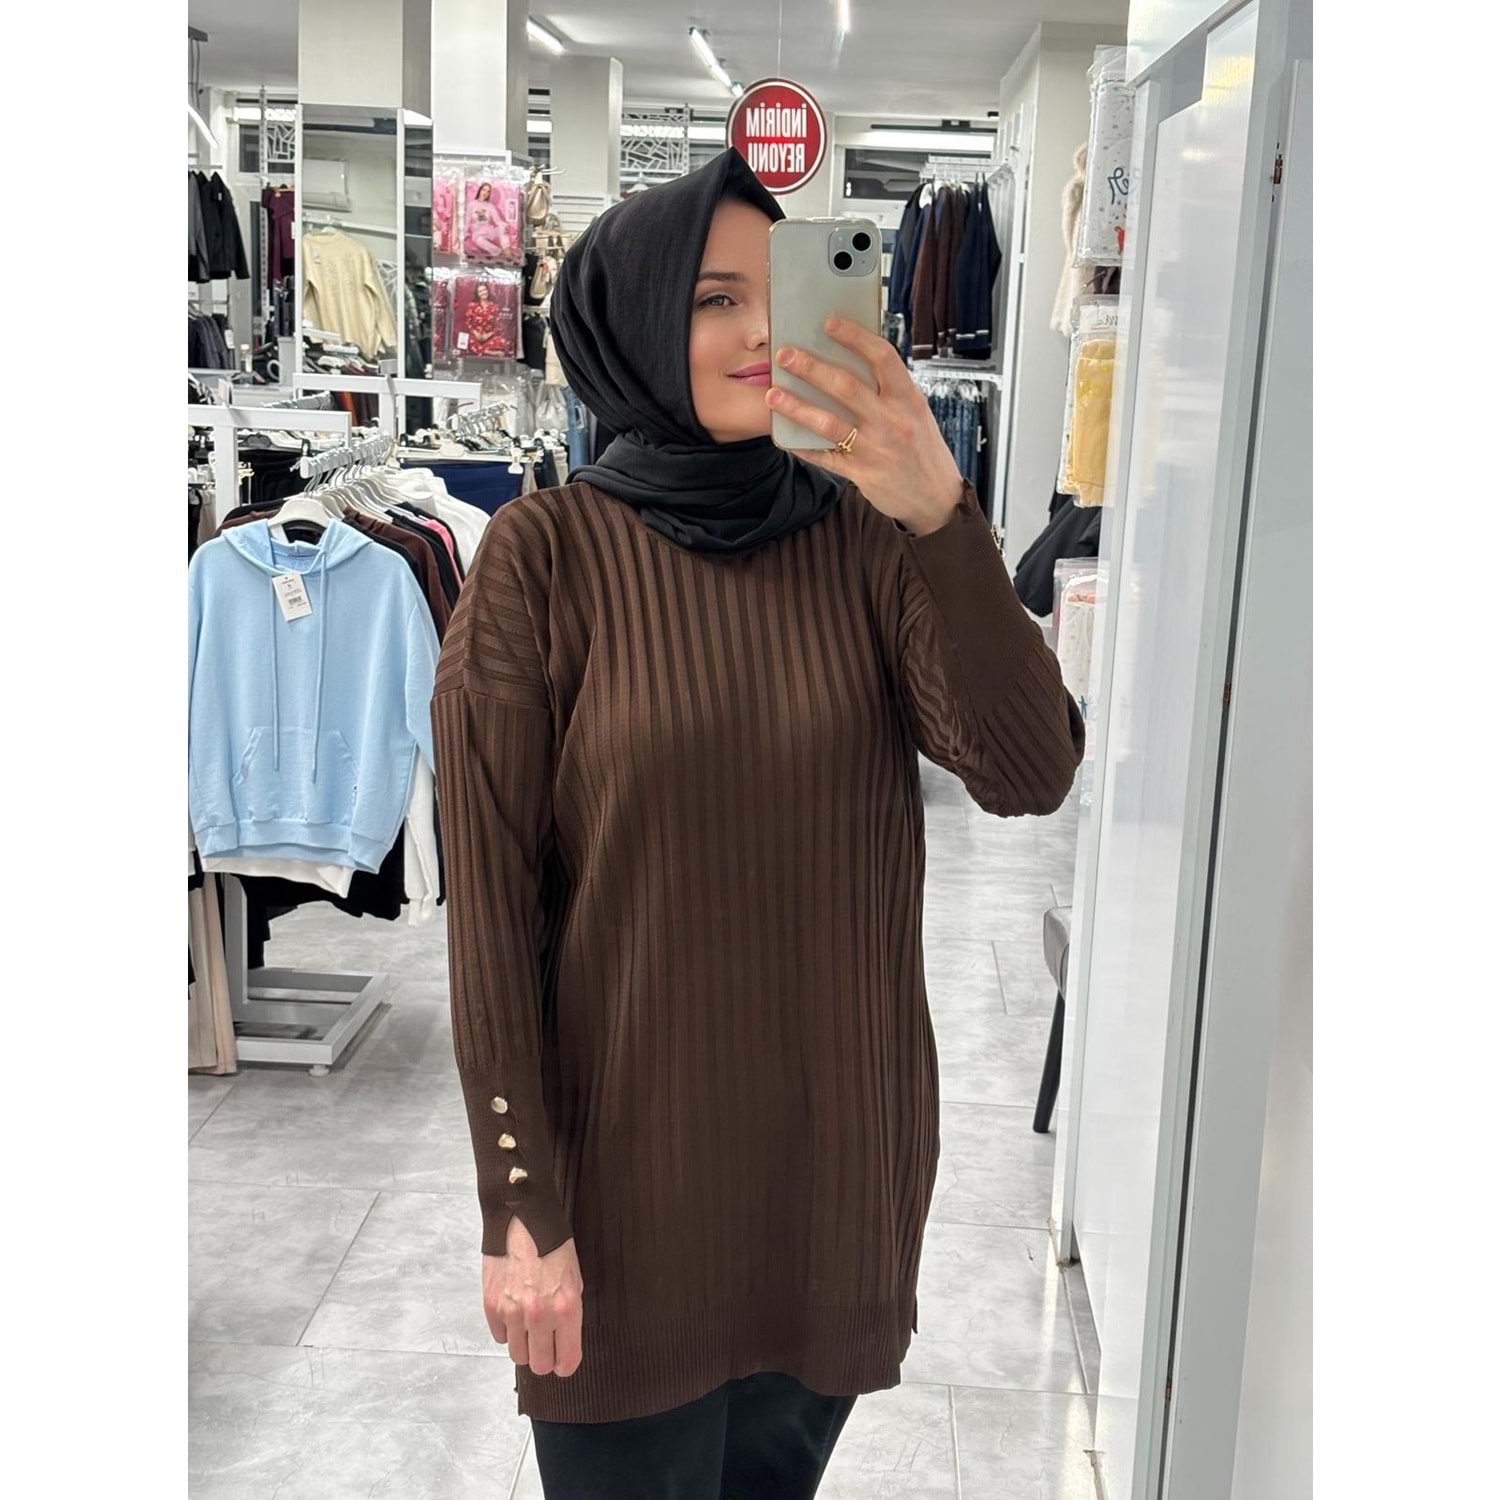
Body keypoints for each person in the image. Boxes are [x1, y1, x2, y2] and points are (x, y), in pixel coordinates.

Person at [430, 149, 1085, 1499]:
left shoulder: (866, 543)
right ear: (630, 323)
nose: (760, 331)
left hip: (830, 1180)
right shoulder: (542, 559)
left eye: (778, 290)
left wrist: (939, 513)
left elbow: (1028, 770)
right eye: (712, 298)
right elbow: (492, 927)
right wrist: (520, 1202)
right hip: (626, 1198)